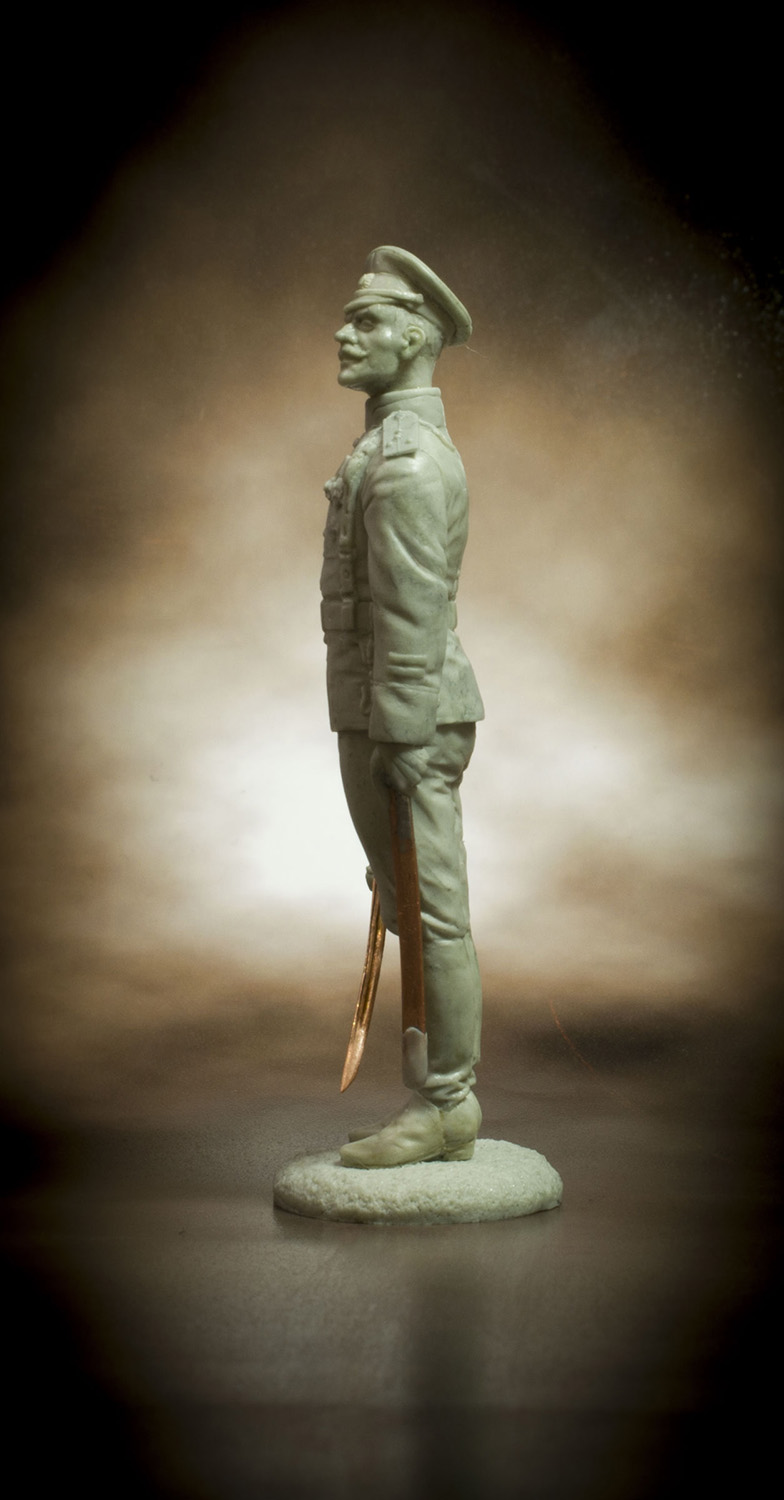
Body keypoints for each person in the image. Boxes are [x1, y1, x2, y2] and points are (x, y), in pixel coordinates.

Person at [321, 246, 484, 1168]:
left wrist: (400, 733)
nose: (345, 335)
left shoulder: (409, 462)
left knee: (430, 914)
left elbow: (413, 613)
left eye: (368, 320)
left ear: (416, 338)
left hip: (404, 719)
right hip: (382, 713)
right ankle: (436, 1100)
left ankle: (445, 1104)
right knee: (407, 902)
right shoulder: (383, 449)